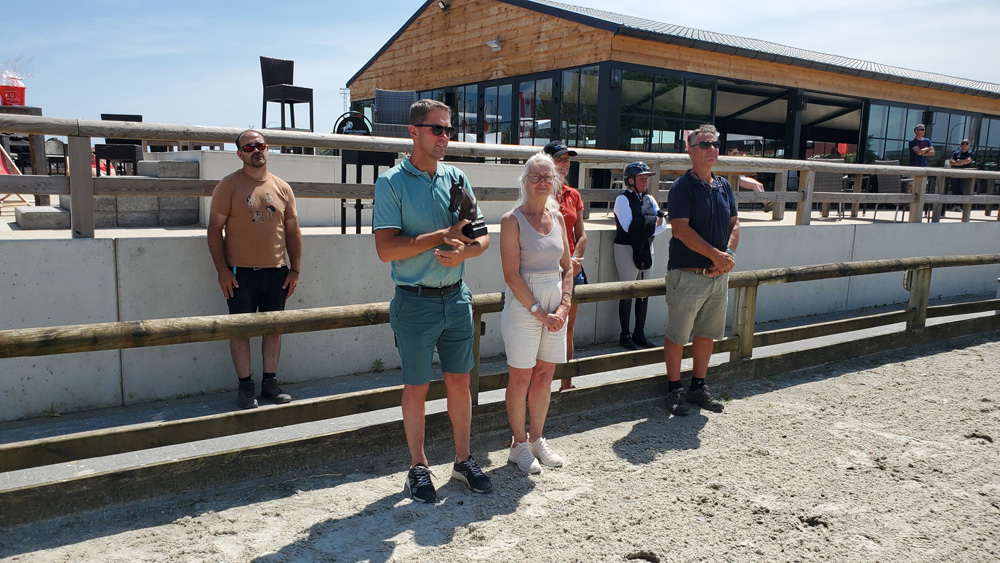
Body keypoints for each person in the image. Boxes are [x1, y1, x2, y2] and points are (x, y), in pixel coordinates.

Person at [373, 99, 493, 503]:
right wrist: (442, 236)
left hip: (456, 298)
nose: (445, 136)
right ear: (413, 131)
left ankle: (463, 461)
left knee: (460, 383)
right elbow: (386, 250)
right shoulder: (391, 182)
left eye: (449, 129)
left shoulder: (457, 177)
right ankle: (417, 467)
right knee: (416, 387)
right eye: (436, 129)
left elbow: (482, 238)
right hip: (415, 301)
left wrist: (464, 253)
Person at [207, 130, 301, 410]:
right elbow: (214, 230)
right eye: (249, 147)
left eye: (260, 145)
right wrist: (222, 271)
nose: (256, 150)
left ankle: (270, 382)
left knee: (273, 330)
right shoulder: (228, 185)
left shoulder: (283, 188)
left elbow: (293, 232)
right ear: (240, 154)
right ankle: (245, 386)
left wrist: (295, 270)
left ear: (267, 149)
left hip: (277, 272)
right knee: (240, 331)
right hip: (240, 274)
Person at [499, 153, 574, 474]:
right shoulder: (511, 220)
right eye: (536, 177)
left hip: (556, 304)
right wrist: (541, 313)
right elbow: (511, 275)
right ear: (525, 181)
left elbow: (567, 267)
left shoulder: (557, 218)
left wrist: (564, 305)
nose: (542, 182)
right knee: (521, 376)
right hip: (524, 305)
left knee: (545, 374)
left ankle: (537, 438)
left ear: (555, 181)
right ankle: (518, 444)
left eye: (548, 177)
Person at [663, 124, 739, 416]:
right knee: (678, 335)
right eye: (704, 144)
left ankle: (698, 386)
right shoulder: (682, 187)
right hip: (688, 273)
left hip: (717, 276)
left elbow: (734, 223)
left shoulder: (724, 186)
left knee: (706, 333)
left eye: (715, 144)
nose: (711, 149)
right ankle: (674, 389)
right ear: (690, 151)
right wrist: (717, 257)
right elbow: (680, 230)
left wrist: (728, 256)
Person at [542, 141, 587, 391]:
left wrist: (575, 261)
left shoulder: (573, 194)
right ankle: (540, 385)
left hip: (572, 270)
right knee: (543, 326)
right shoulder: (539, 192)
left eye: (567, 159)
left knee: (568, 328)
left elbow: (582, 235)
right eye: (559, 159)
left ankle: (566, 382)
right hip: (545, 269)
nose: (565, 164)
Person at [613, 161, 667, 350]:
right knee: (627, 291)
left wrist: (646, 223)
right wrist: (653, 221)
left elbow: (663, 225)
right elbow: (631, 229)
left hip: (646, 246)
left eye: (646, 178)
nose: (645, 181)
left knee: (644, 291)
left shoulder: (649, 199)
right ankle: (625, 335)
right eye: (641, 178)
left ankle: (639, 333)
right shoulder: (622, 200)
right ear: (630, 180)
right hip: (626, 248)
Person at [948, 139, 974, 213]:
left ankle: (959, 205)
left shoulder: (970, 153)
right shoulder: (955, 153)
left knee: (961, 189)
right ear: (960, 145)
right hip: (955, 173)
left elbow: (968, 161)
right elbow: (951, 162)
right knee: (954, 189)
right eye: (963, 143)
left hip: (964, 174)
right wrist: (962, 163)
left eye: (966, 144)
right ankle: (954, 205)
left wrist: (958, 162)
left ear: (969, 145)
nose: (964, 145)